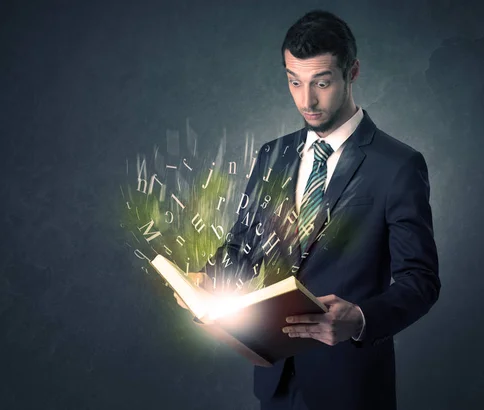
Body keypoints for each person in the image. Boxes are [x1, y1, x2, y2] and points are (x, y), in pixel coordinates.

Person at [174, 9, 441, 410]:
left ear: (352, 72)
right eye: (294, 82)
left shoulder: (398, 165)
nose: (307, 100)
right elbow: (243, 246)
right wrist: (206, 282)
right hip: (274, 376)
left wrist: (361, 318)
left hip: (350, 384)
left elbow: (421, 281)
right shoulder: (272, 155)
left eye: (322, 82)